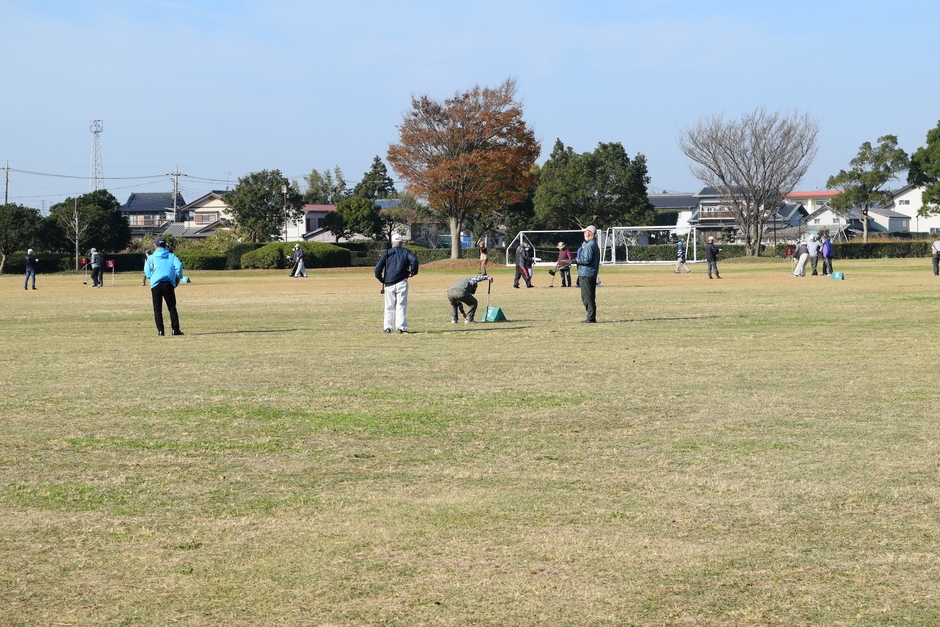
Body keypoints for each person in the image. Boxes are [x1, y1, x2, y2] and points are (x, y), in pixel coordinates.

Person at [374, 233, 419, 333]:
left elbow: (377, 268)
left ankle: (388, 328)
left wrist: (381, 279)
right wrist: (412, 273)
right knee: (401, 306)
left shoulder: (386, 253)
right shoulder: (406, 252)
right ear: (402, 243)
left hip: (389, 283)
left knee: (389, 306)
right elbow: (414, 261)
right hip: (402, 281)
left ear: (392, 243)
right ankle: (401, 328)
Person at [145, 237, 184, 336]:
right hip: (168, 283)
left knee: (157, 308)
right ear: (165, 245)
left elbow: (147, 272)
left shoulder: (151, 258)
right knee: (172, 307)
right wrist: (178, 277)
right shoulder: (171, 256)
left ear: (155, 246)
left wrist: (152, 277)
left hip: (155, 284)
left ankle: (160, 331)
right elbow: (179, 266)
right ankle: (175, 329)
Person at [577, 225, 600, 322]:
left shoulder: (589, 245)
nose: (584, 234)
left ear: (589, 233)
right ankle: (591, 316)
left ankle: (590, 317)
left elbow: (586, 260)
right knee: (590, 295)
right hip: (591, 273)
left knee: (586, 296)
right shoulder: (594, 244)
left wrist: (578, 260)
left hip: (586, 273)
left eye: (585, 232)